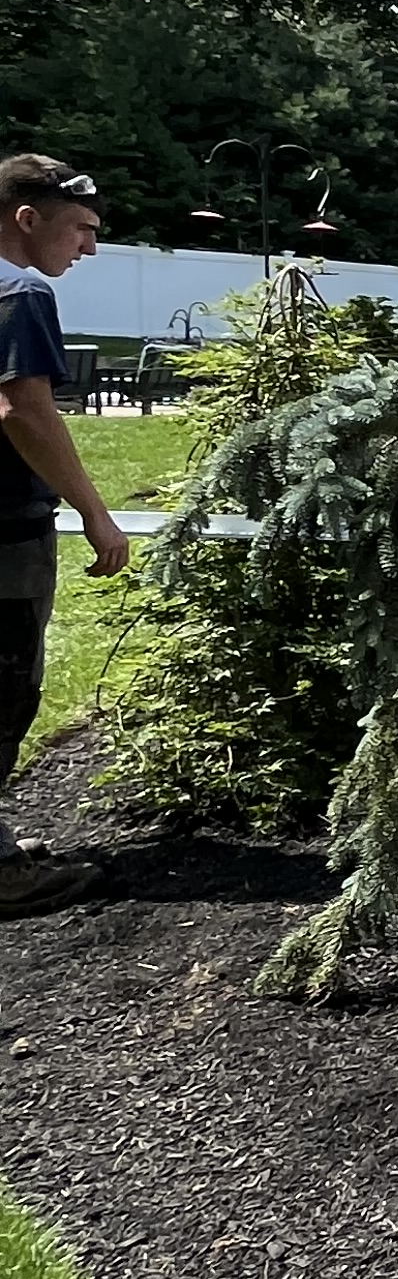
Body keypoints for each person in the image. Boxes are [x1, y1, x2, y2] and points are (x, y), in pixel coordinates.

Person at [0, 154, 131, 918]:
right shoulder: (18, 292)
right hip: (3, 535)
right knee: (4, 689)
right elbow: (23, 411)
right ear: (27, 218)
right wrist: (93, 510)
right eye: (81, 228)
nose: (89, 247)